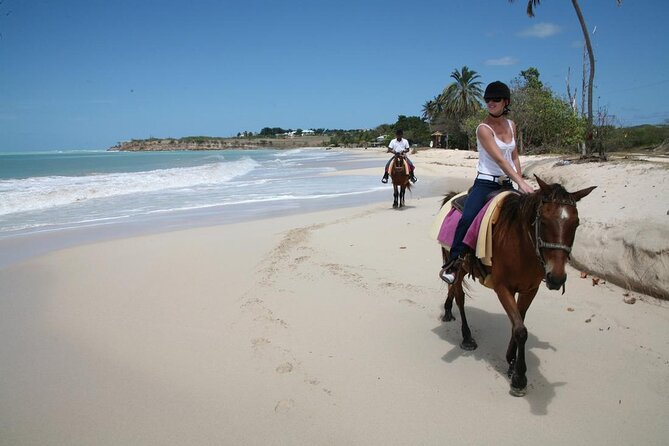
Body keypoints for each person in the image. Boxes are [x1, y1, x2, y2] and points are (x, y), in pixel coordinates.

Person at [439, 81, 534, 284]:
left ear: (505, 102)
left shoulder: (511, 125)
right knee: (468, 217)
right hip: (486, 183)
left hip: (507, 183)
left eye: (496, 99)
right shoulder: (483, 129)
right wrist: (521, 183)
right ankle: (453, 263)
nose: (491, 102)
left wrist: (520, 182)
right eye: (488, 99)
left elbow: (514, 155)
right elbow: (500, 159)